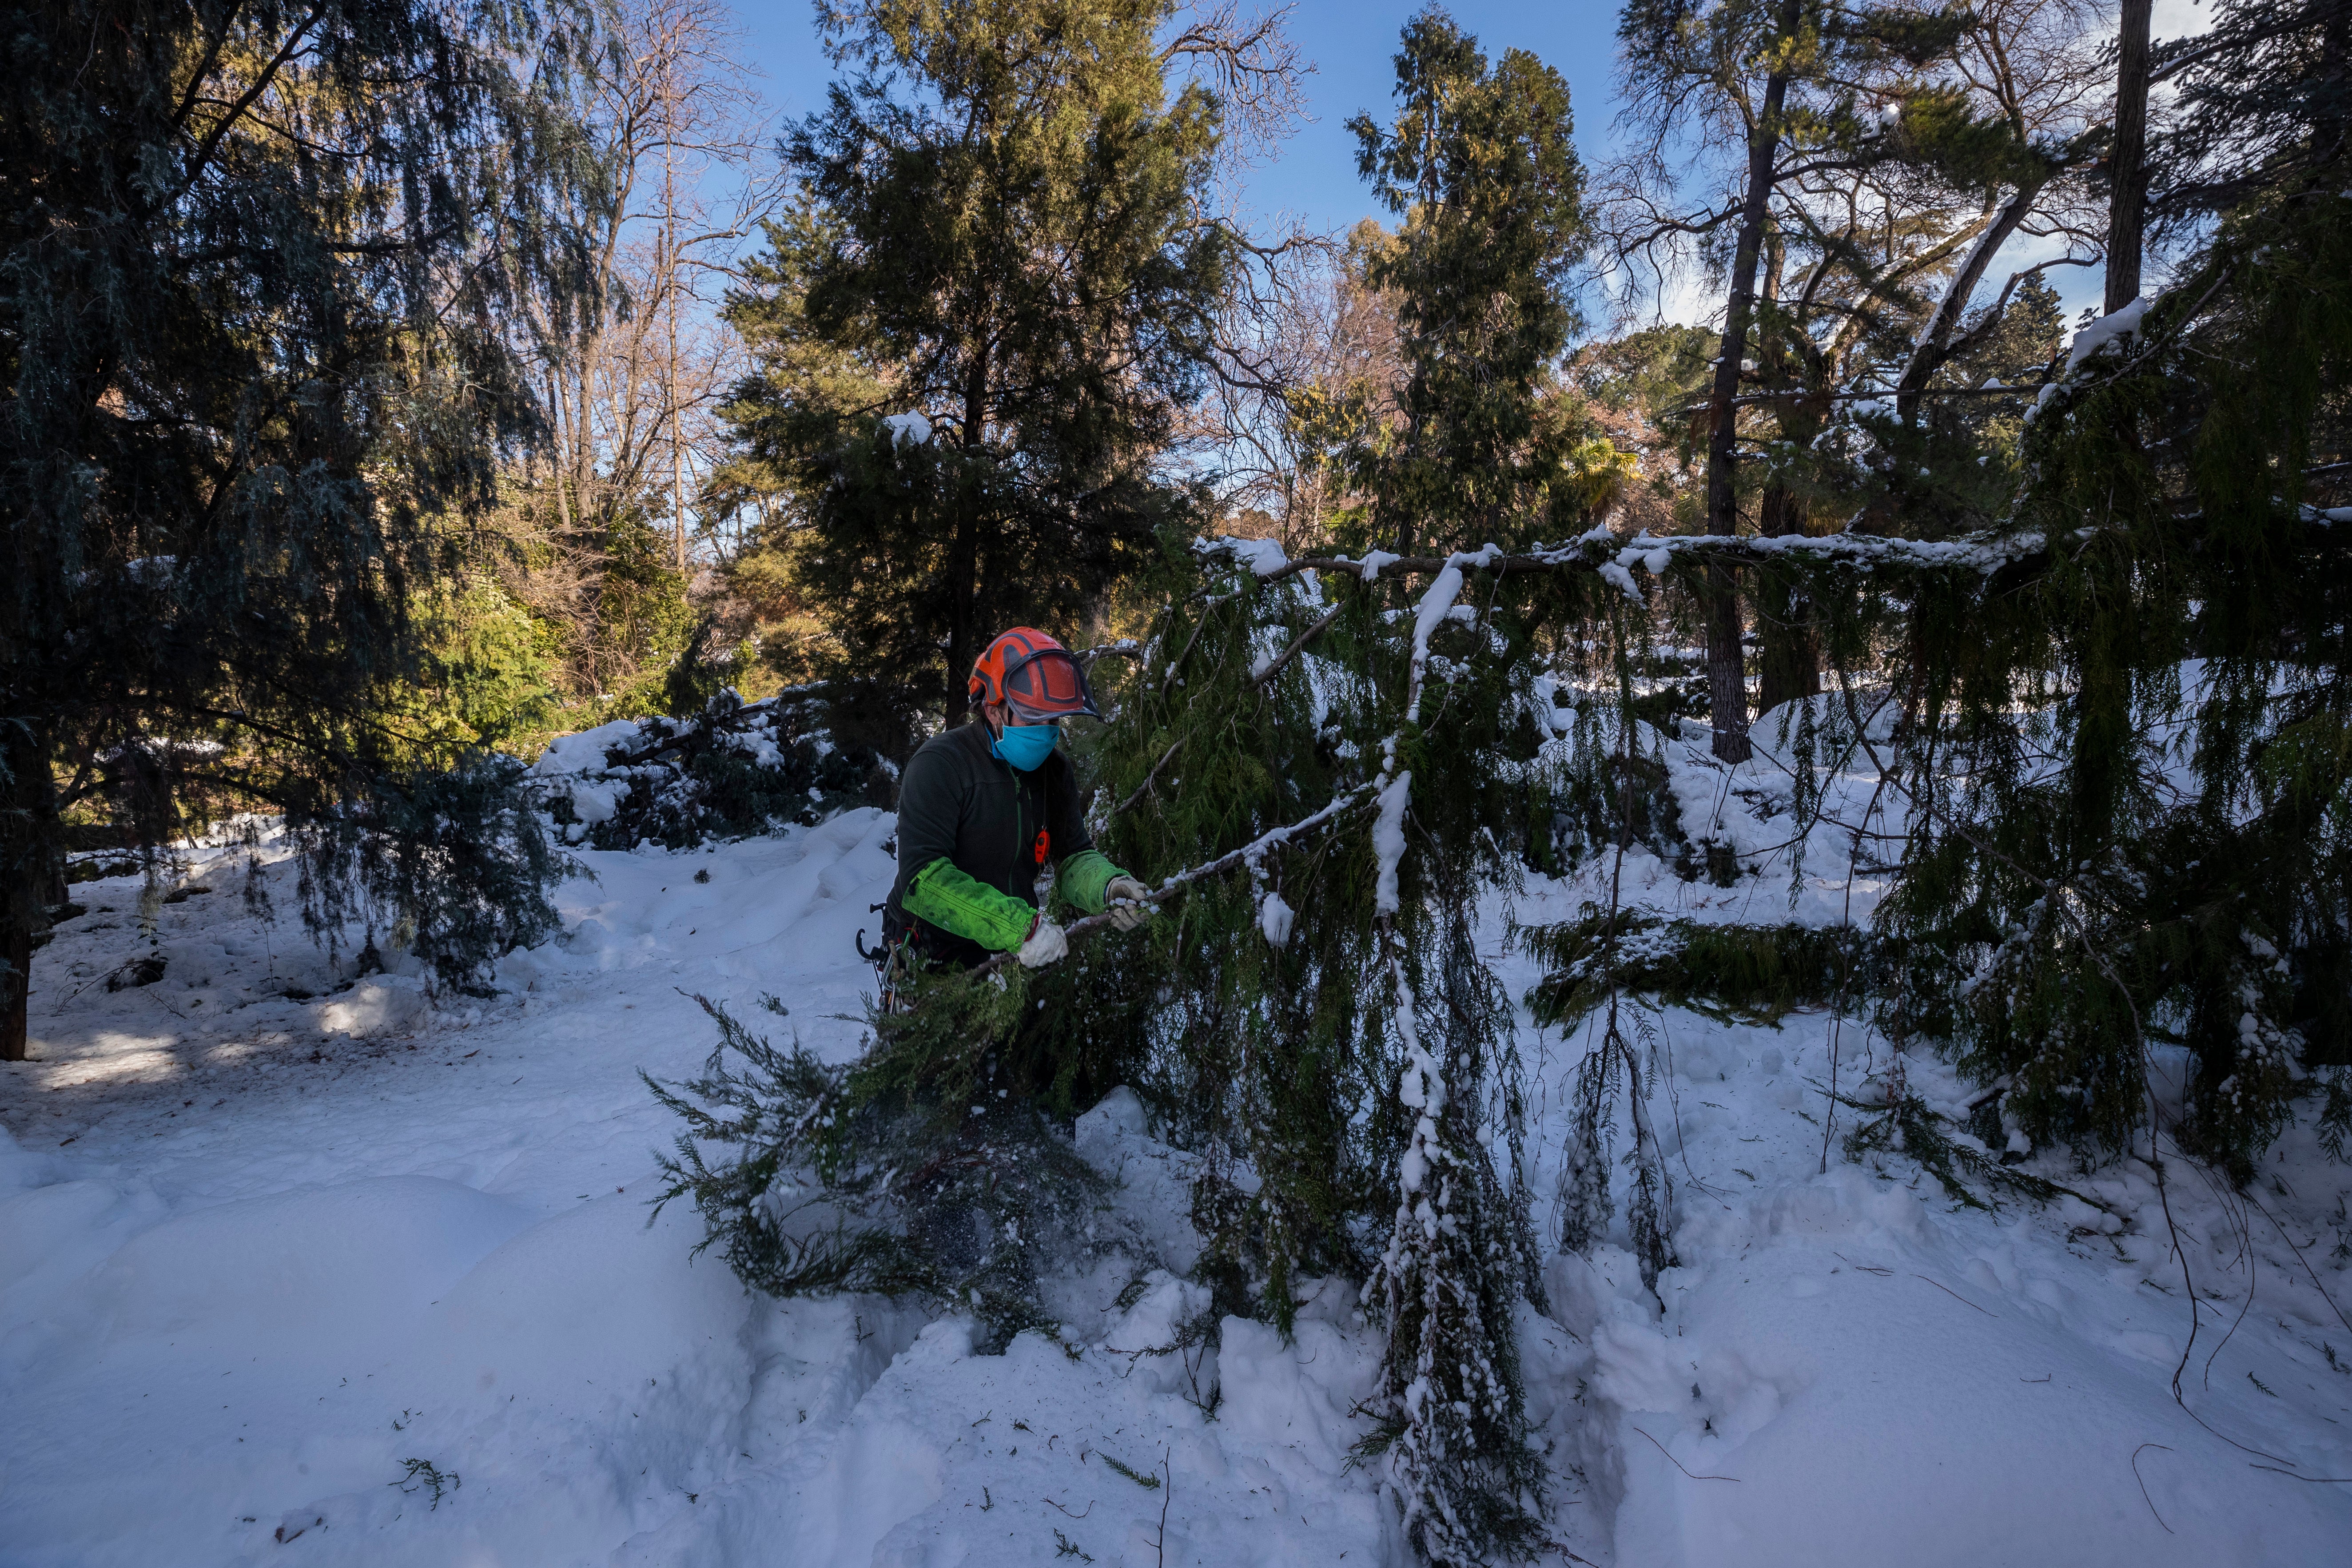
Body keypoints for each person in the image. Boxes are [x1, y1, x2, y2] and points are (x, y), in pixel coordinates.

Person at [881, 629, 1152, 987]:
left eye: (1052, 721)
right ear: (994, 711)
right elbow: (923, 880)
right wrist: (1019, 928)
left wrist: (1108, 886)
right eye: (1033, 719)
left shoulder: (1054, 771)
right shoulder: (940, 764)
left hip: (1010, 943)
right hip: (932, 944)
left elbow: (1072, 856)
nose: (1045, 732)